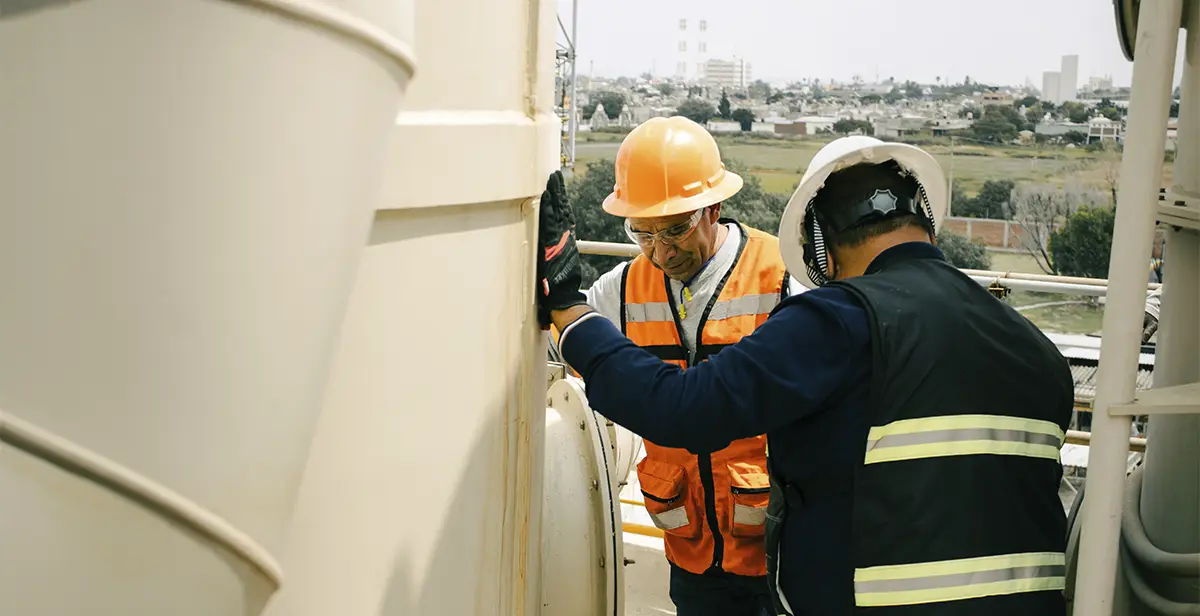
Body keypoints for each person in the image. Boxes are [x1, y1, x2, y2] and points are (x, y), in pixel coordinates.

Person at [535, 136, 1074, 615]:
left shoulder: (839, 318)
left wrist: (568, 311)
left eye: (674, 228)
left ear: (821, 242)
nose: (661, 249)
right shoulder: (1037, 350)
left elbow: (684, 408)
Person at [545, 116, 805, 616]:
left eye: (676, 229)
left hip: (773, 553)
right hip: (690, 555)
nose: (662, 253)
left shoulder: (781, 280)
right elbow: (557, 351)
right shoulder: (620, 291)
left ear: (715, 207)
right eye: (642, 233)